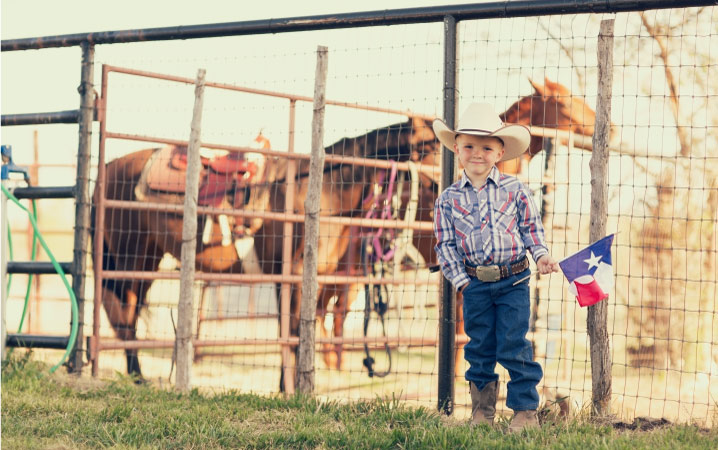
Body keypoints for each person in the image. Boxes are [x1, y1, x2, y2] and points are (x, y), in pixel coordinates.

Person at [432, 102, 560, 432]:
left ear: (500, 152)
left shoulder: (516, 191)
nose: (478, 154)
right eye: (469, 146)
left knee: (514, 344)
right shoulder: (447, 200)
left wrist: (541, 255)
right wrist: (462, 282)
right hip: (475, 285)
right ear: (457, 150)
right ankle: (481, 410)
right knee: (480, 348)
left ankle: (524, 412)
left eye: (487, 147)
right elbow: (445, 246)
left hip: (514, 280)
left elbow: (532, 229)